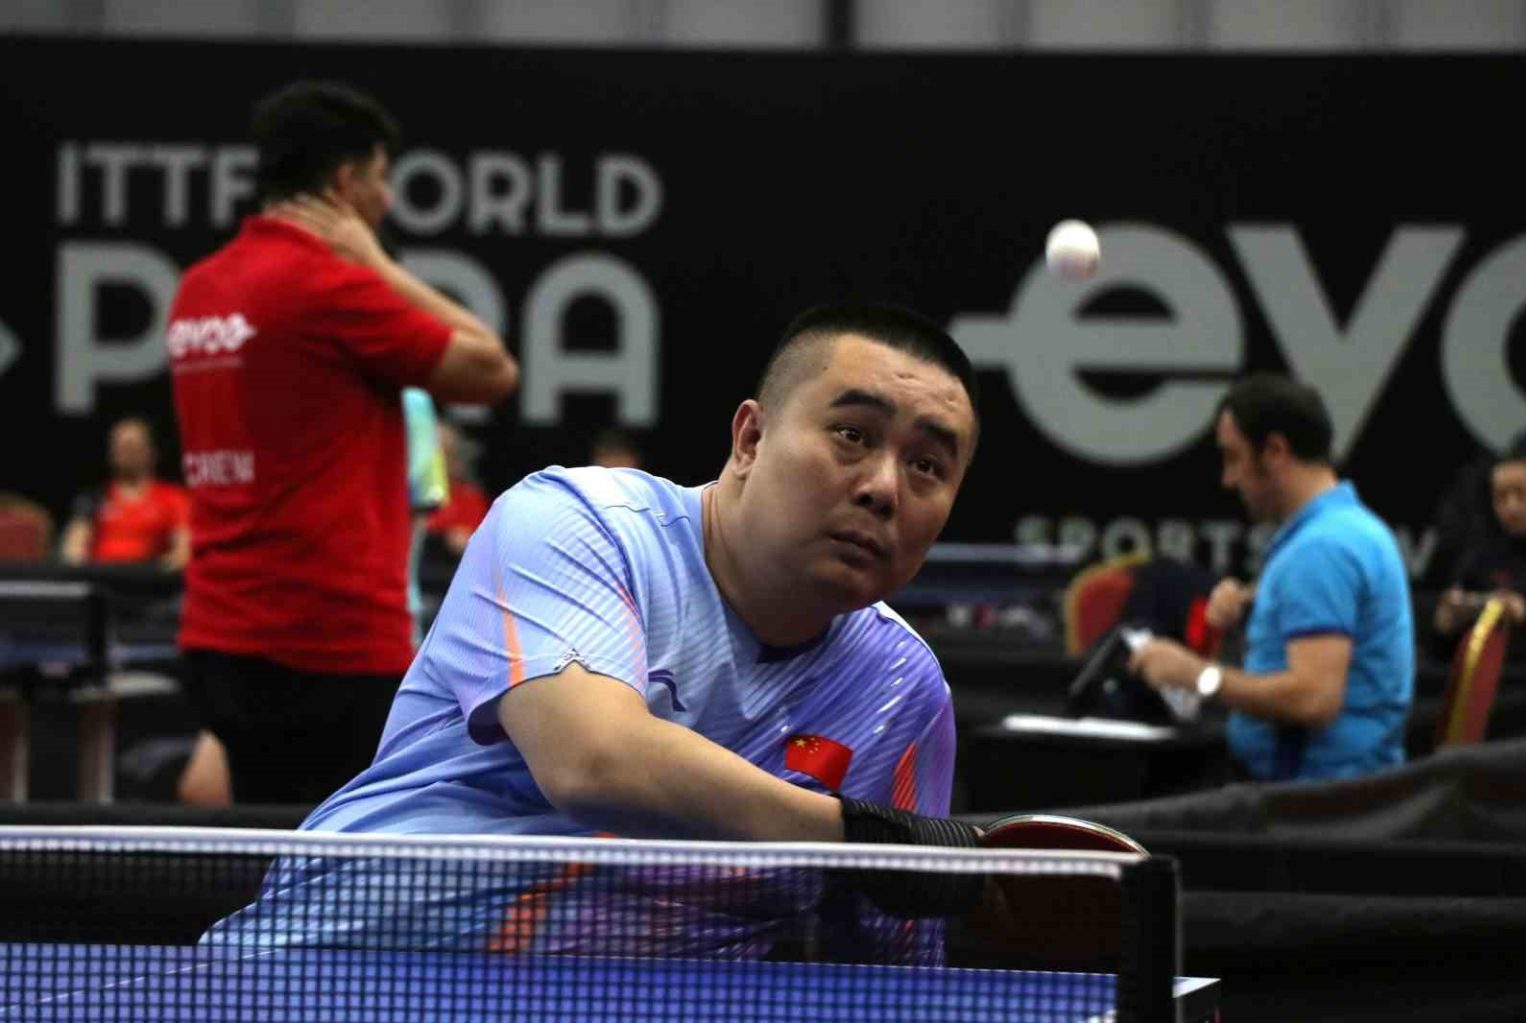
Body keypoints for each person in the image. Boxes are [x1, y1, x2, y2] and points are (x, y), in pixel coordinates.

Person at [209, 302, 985, 960]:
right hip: (343, 969)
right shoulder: (579, 525)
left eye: (927, 465)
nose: (883, 487)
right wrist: (864, 839)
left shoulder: (899, 689)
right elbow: (596, 761)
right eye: (852, 435)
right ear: (750, 439)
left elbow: (893, 963)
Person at [167, 80, 518, 804]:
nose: (386, 201)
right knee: (343, 860)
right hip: (326, 647)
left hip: (216, 640)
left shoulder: (199, 288)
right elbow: (492, 369)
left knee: (262, 844)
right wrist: (379, 264)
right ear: (344, 181)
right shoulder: (328, 286)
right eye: (381, 179)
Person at [1130, 374, 1414, 782]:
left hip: (1309, 800)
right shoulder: (1348, 529)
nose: (1228, 479)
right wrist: (1254, 610)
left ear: (1275, 451)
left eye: (1234, 457)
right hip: (1334, 787)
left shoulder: (1320, 550)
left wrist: (1196, 675)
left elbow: (1314, 699)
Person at [1432, 438, 1526, 646]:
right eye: (1501, 497)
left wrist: (1525, 612)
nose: (1511, 507)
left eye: (1522, 493)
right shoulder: (1481, 558)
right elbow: (1442, 642)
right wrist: (1447, 622)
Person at [60, 417, 189, 570]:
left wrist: (154, 573)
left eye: (130, 446)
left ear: (152, 452)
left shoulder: (174, 498)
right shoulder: (93, 497)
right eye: (117, 446)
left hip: (150, 579)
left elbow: (183, 552)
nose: (122, 452)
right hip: (100, 577)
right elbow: (74, 549)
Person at [423, 421, 491, 558]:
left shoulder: (470, 496)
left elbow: (483, 543)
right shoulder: (404, 495)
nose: (443, 461)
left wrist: (467, 540)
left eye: (449, 454)